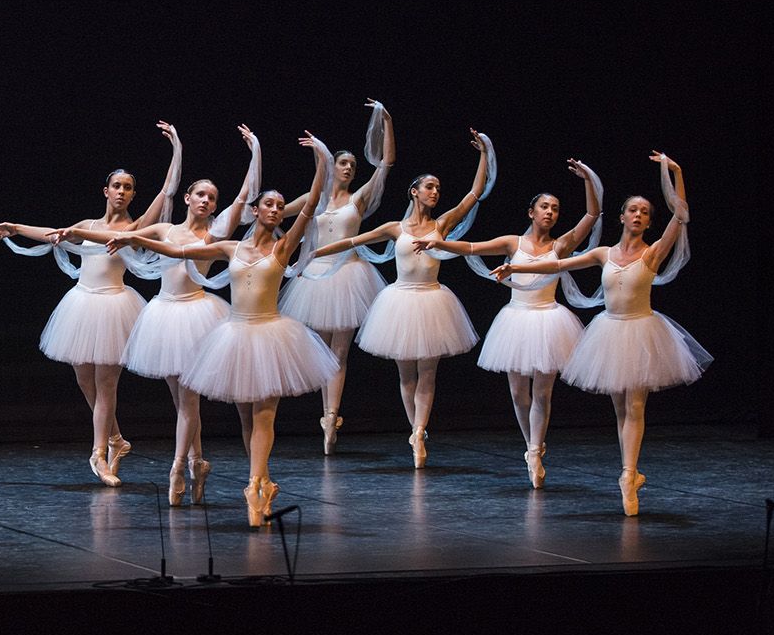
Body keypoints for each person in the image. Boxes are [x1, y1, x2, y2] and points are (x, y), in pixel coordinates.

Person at [107, 134, 334, 527]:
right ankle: (255, 477)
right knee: (247, 418)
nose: (276, 210)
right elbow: (179, 252)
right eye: (269, 204)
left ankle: (254, 485)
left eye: (281, 207)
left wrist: (323, 160)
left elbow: (312, 204)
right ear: (257, 211)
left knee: (264, 415)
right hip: (236, 335)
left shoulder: (281, 249)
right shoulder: (232, 248)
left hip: (272, 336)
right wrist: (128, 236)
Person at [55, 124, 260, 506]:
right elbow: (128, 235)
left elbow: (245, 196)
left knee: (189, 401)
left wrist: (255, 153)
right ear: (188, 198)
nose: (205, 200)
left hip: (199, 315)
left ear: (215, 205)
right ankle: (197, 461)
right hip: (164, 317)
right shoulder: (165, 229)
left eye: (211, 197)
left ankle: (178, 467)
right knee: (180, 400)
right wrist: (71, 233)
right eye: (200, 193)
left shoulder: (215, 235)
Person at [493, 153, 706, 515]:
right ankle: (629, 471)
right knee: (620, 408)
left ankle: (627, 475)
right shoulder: (603, 254)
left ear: (649, 223)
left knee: (635, 405)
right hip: (609, 332)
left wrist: (676, 173)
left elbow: (680, 214)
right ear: (622, 217)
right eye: (633, 211)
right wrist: (516, 265)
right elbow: (559, 263)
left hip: (641, 331)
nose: (638, 216)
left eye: (644, 213)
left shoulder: (653, 255)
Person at [0, 122, 181, 487]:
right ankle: (117, 439)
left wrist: (177, 150)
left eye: (128, 187)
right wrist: (15, 226)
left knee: (106, 384)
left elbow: (168, 192)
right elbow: (54, 234)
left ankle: (99, 455)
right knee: (83, 378)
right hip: (81, 304)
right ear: (105, 190)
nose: (121, 191)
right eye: (116, 186)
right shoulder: (87, 224)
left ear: (133, 194)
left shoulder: (136, 228)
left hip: (114, 307)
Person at [414, 159, 600, 487]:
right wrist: (438, 242)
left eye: (555, 209)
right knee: (518, 393)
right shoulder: (513, 243)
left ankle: (534, 450)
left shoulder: (560, 246)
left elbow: (591, 216)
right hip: (516, 319)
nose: (550, 212)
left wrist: (588, 180)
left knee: (542, 391)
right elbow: (472, 247)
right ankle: (532, 447)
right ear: (532, 212)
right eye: (544, 207)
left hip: (549, 321)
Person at [313, 130, 491, 468]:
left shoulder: (443, 223)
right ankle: (415, 430)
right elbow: (352, 241)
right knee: (406, 375)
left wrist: (484, 154)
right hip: (400, 302)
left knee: (428, 372)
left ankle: (420, 430)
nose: (436, 192)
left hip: (433, 301)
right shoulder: (395, 227)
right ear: (414, 192)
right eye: (430, 187)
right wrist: (312, 253)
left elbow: (475, 193)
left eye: (438, 188)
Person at [278, 100, 395, 454]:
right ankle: (322, 412)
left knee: (340, 353)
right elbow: (276, 212)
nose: (348, 168)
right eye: (342, 163)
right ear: (331, 167)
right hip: (314, 279)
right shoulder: (313, 200)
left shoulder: (357, 201)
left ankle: (331, 417)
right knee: (320, 351)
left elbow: (386, 164)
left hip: (349, 276)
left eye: (352, 164)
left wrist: (386, 121)